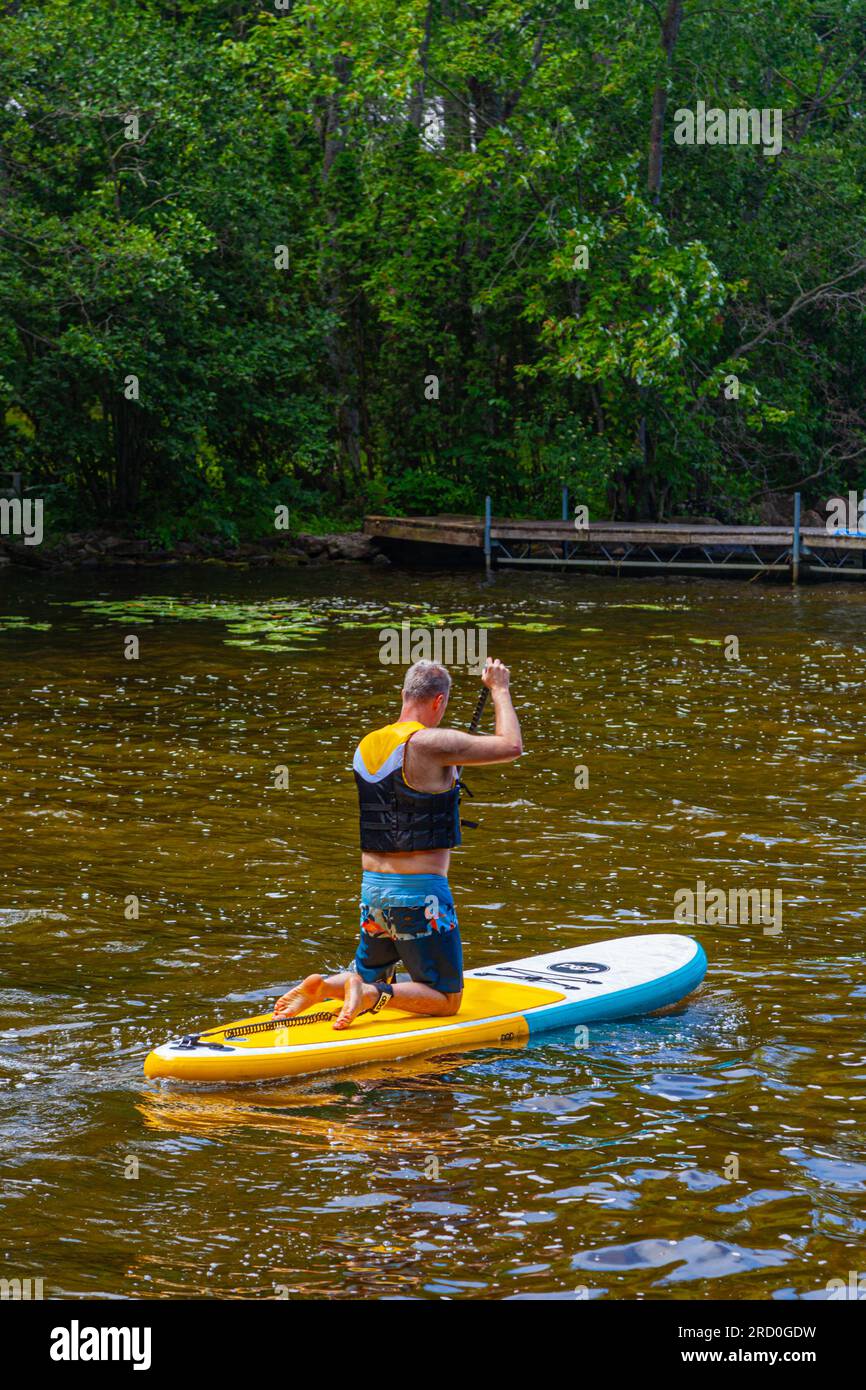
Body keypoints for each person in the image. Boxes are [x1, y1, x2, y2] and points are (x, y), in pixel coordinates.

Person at [274, 656, 523, 1029]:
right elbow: (510, 746)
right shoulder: (431, 743)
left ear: (405, 694)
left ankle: (326, 987)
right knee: (446, 999)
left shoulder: (368, 745)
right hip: (420, 895)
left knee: (372, 973)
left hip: (373, 892)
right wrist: (499, 689)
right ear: (438, 702)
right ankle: (372, 996)